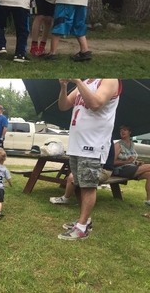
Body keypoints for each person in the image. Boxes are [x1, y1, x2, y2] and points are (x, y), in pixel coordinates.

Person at [57, 78, 120, 240]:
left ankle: (82, 227)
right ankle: (85, 220)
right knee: (78, 183)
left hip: (93, 145)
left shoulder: (109, 80)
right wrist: (64, 87)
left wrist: (78, 82)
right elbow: (63, 106)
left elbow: (96, 104)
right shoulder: (85, 83)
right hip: (77, 145)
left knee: (88, 186)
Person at [50, 141, 115, 204]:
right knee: (73, 176)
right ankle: (67, 198)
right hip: (95, 168)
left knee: (74, 177)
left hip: (104, 171)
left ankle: (70, 200)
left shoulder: (104, 140)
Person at [112, 125, 150, 206]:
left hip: (131, 168)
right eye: (121, 130)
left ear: (130, 132)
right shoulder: (118, 145)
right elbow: (113, 162)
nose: (122, 132)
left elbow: (132, 159)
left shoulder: (132, 144)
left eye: (125, 130)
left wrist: (137, 162)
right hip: (120, 170)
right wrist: (127, 161)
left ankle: (149, 201)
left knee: (149, 174)